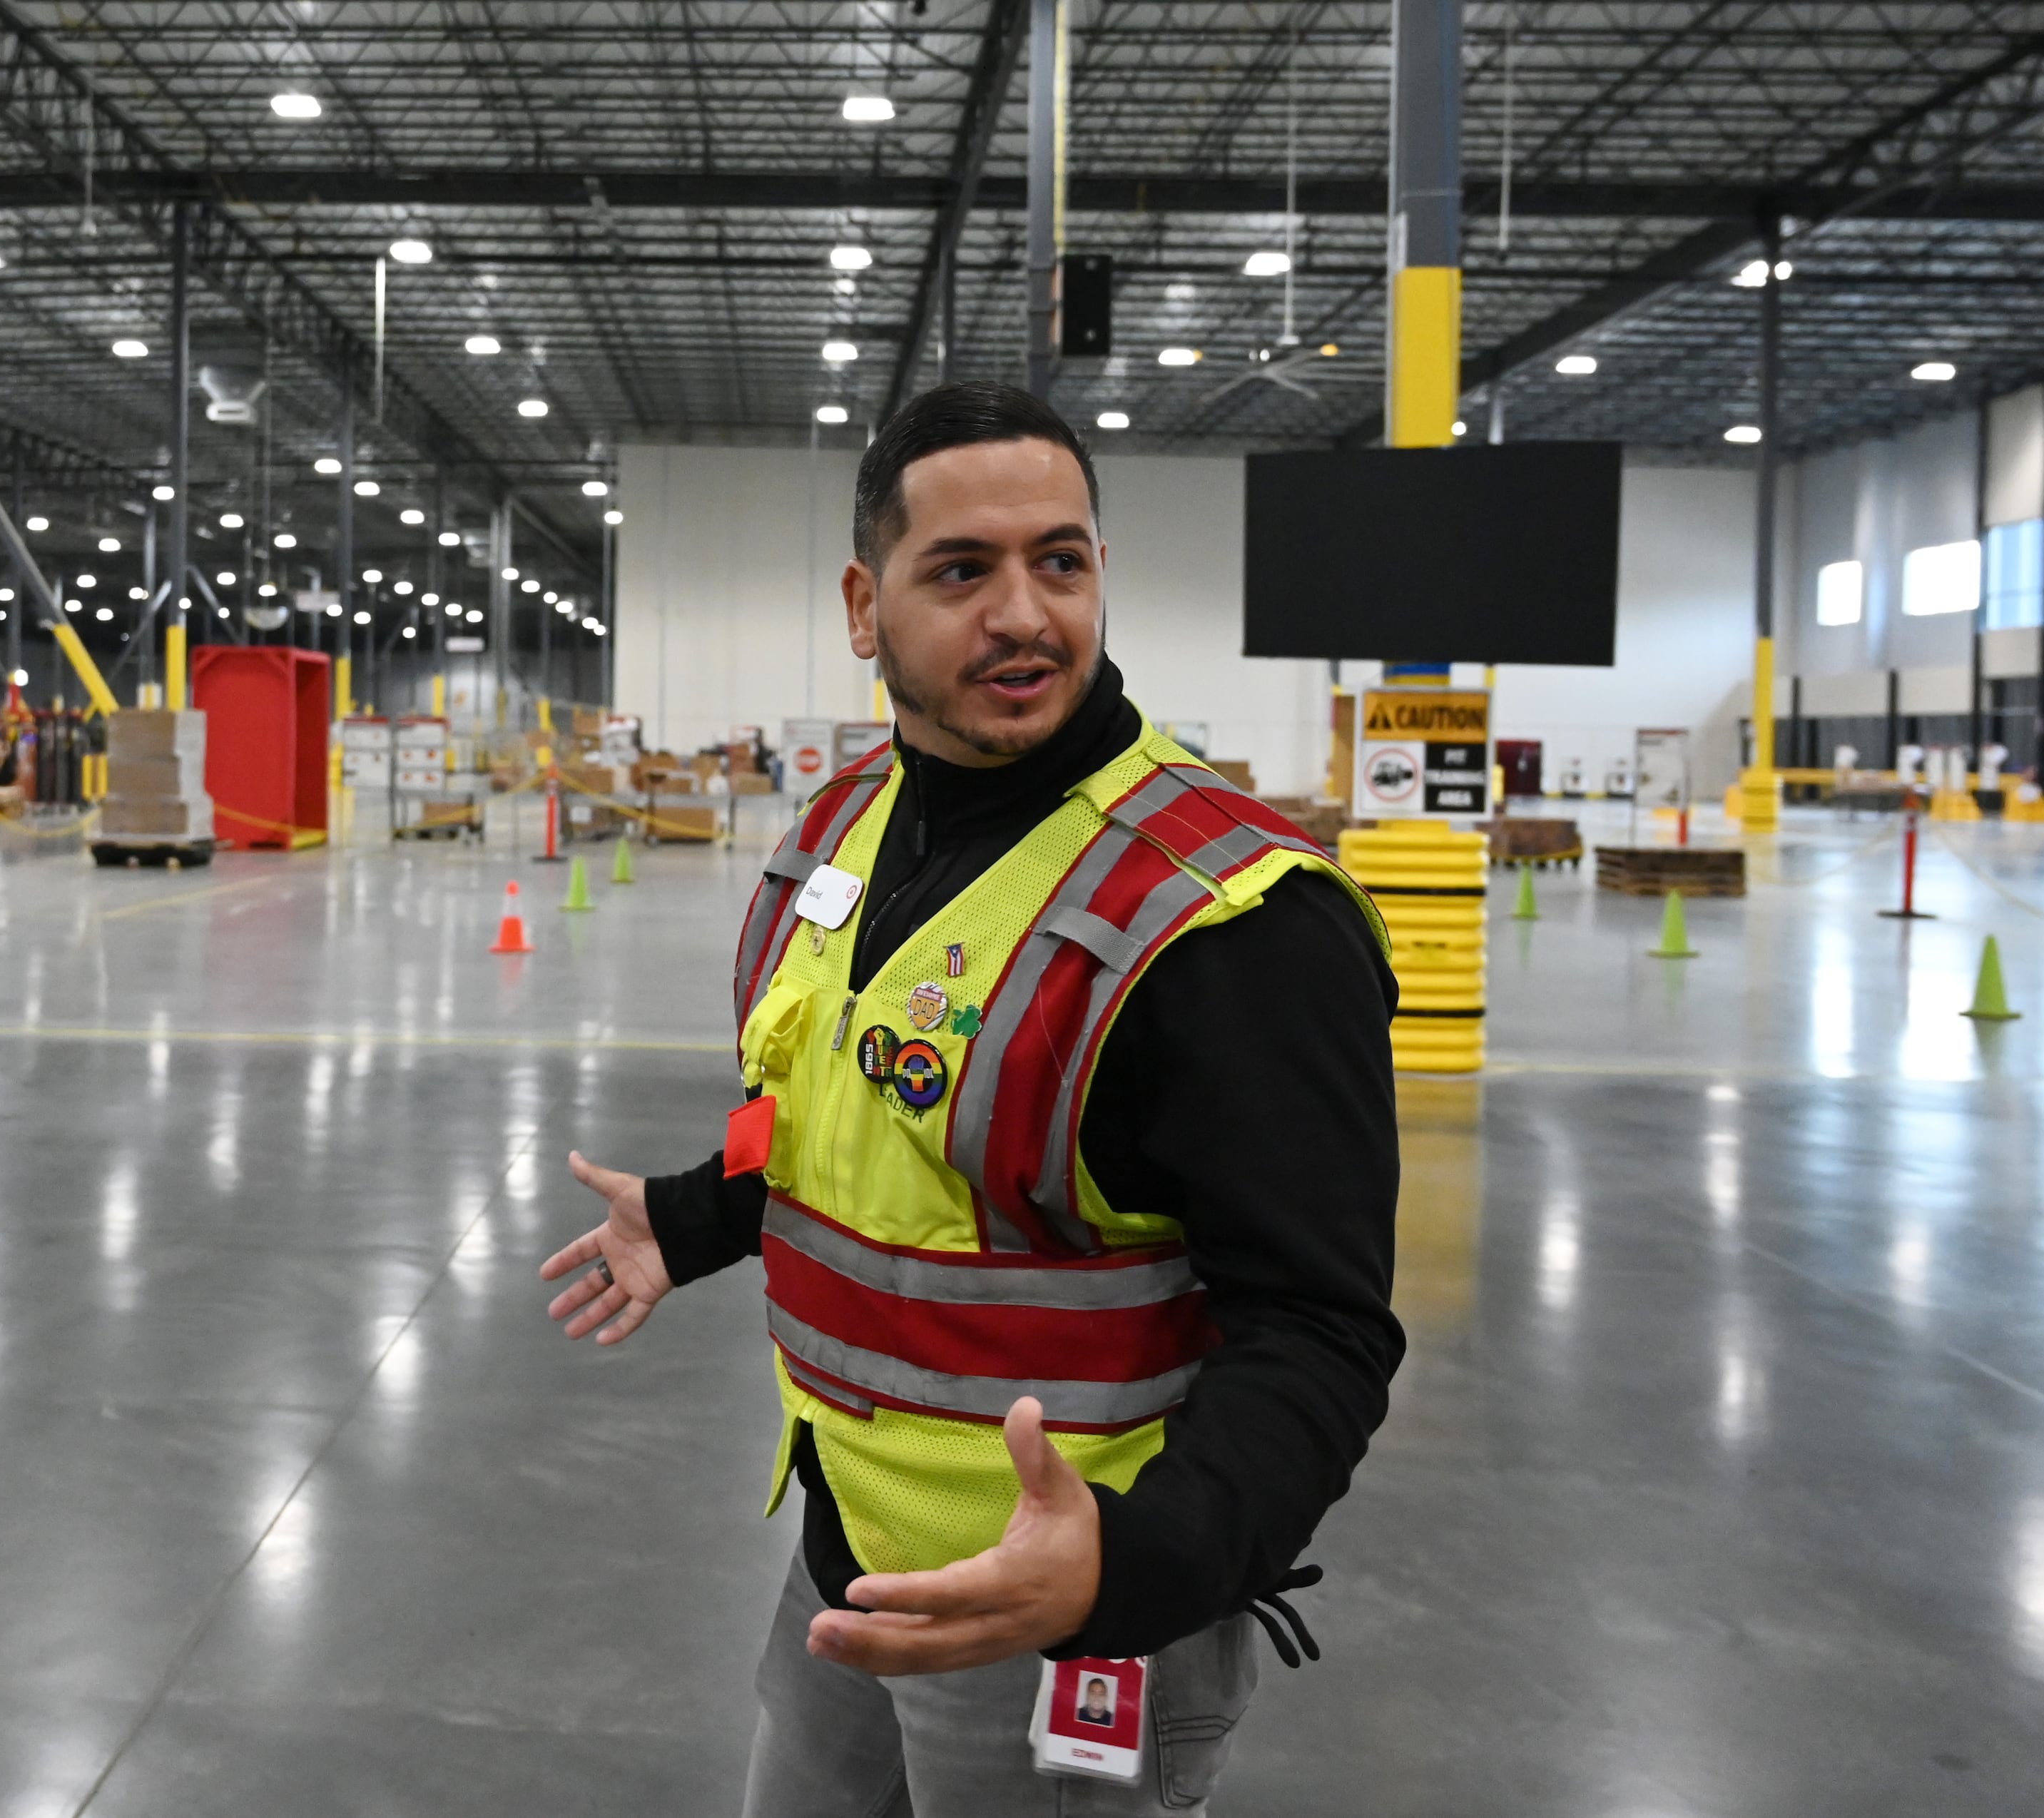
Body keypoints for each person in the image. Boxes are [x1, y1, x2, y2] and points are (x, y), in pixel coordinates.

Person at [539, 380, 1403, 1814]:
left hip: (1062, 1610)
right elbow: (844, 1105)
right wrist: (694, 1216)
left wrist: (1132, 1563)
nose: (1023, 614)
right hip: (843, 1551)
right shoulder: (847, 826)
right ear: (864, 606)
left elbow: (1321, 1330)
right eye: (961, 571)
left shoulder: (1230, 921)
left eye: (1059, 561)